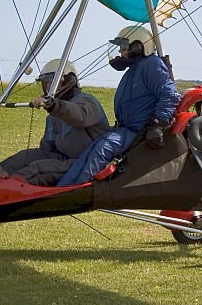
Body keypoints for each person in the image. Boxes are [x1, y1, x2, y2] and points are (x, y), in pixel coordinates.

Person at [57, 25, 180, 187]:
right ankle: (62, 187)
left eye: (124, 48)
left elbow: (170, 94)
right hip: (126, 130)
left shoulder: (151, 64)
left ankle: (73, 189)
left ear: (138, 47)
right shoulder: (133, 70)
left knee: (102, 148)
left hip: (139, 131)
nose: (121, 53)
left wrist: (157, 125)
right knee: (92, 148)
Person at [0, 59, 110, 186]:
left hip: (88, 161)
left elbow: (80, 116)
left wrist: (55, 106)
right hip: (64, 158)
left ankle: (6, 191)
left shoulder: (86, 100)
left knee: (37, 170)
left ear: (68, 81)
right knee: (24, 157)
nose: (48, 88)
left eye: (52, 83)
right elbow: (47, 149)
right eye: (46, 84)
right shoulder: (54, 116)